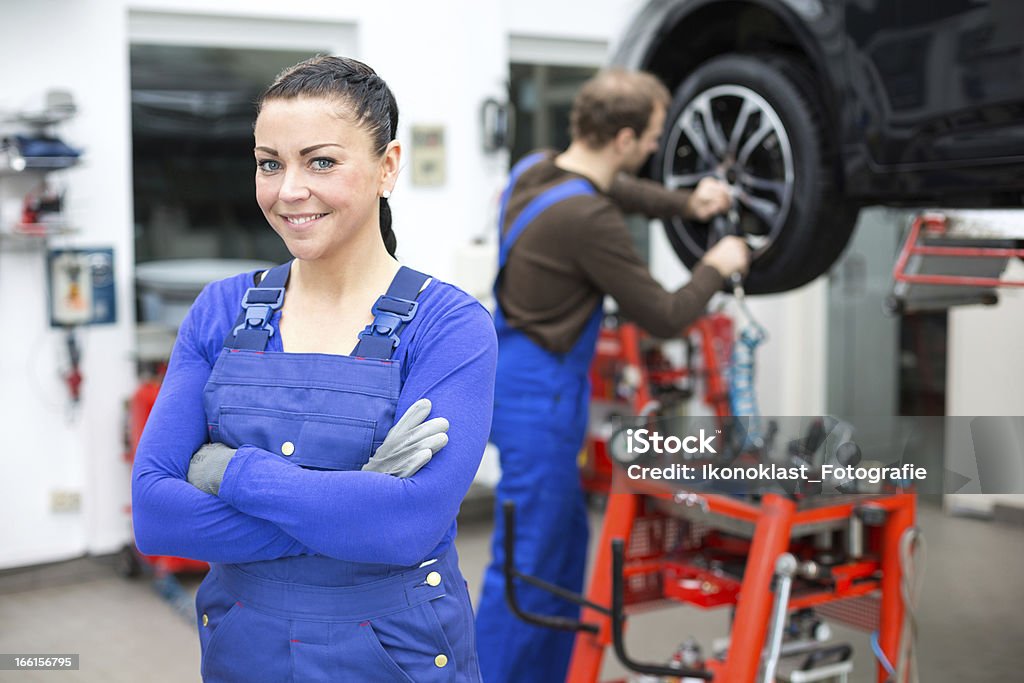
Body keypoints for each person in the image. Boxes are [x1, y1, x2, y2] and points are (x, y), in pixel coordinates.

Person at [131, 55, 496, 683]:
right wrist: (352, 498)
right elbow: (156, 514)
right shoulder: (220, 311)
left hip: (396, 654)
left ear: (388, 166)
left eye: (320, 161)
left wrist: (228, 471)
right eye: (269, 163)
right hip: (245, 652)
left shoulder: (450, 327)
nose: (288, 189)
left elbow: (407, 526)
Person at [474, 68, 750, 683]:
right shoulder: (590, 223)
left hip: (513, 371)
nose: (655, 147)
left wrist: (686, 202)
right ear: (624, 138)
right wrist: (716, 263)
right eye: (650, 136)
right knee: (529, 564)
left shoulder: (534, 169)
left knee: (563, 547)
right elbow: (669, 314)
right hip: (540, 398)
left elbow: (618, 191)